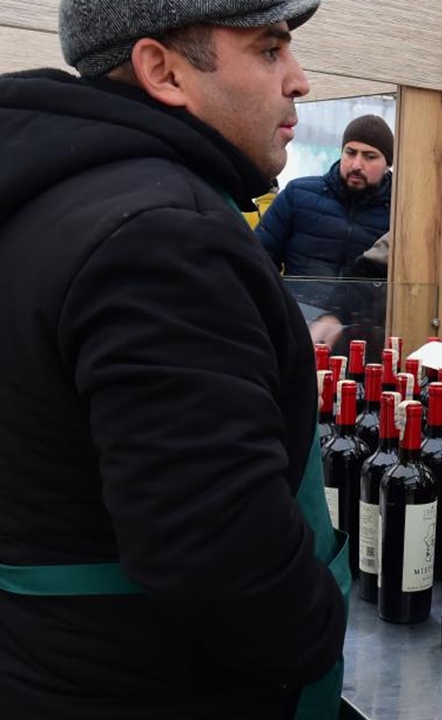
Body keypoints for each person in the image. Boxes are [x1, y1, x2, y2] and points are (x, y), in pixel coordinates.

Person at [0, 1, 348, 717]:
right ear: (161, 70)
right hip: (148, 684)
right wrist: (318, 633)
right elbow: (217, 549)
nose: (300, 79)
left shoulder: (58, 197)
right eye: (269, 49)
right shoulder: (163, 237)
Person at [255, 113, 393, 293]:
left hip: (365, 320)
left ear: (388, 164)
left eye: (369, 156)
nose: (356, 165)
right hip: (298, 316)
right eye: (350, 153)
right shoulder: (298, 195)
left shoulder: (398, 214)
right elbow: (258, 257)